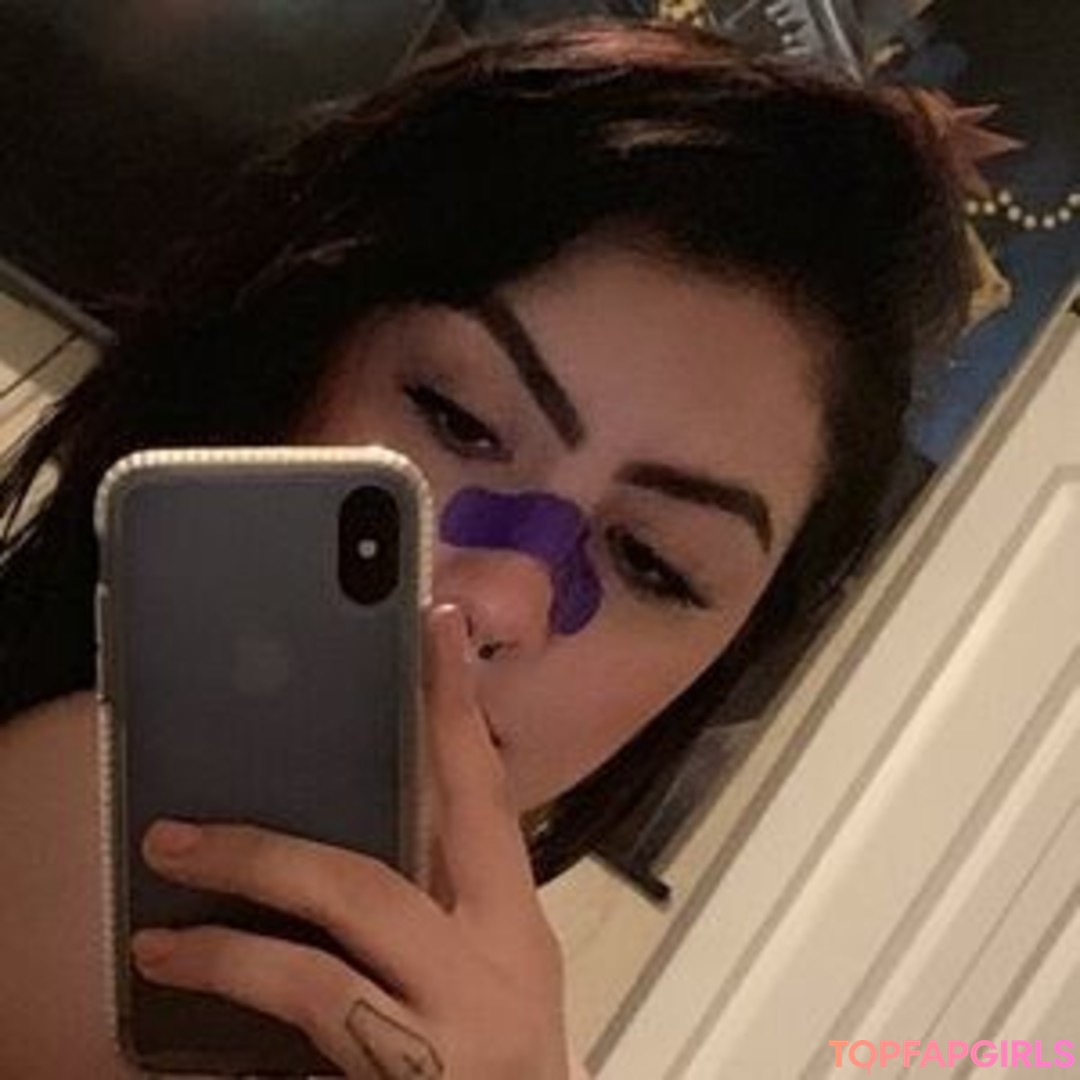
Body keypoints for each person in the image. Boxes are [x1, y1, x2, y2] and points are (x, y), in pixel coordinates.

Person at [0, 19, 972, 1078]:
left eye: (653, 561)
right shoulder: (105, 824)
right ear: (292, 351)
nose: (501, 601)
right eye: (457, 418)